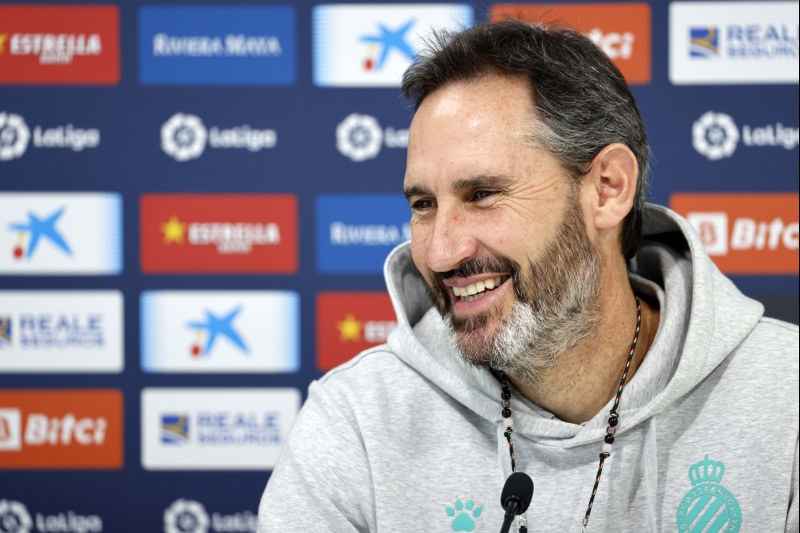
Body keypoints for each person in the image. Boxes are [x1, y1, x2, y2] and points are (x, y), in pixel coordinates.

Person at [258, 20, 798, 532]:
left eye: (483, 194)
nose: (441, 253)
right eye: (424, 204)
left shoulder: (786, 397)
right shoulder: (355, 420)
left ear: (607, 189)